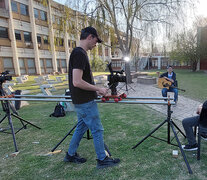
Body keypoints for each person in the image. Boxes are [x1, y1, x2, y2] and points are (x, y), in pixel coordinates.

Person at [64, 26, 120, 169]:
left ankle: (70, 155)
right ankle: (102, 159)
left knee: (81, 127)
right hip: (84, 101)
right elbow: (77, 81)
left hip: (81, 100)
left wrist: (96, 88)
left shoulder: (79, 53)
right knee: (97, 129)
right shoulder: (80, 54)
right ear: (90, 37)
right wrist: (98, 89)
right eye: (96, 41)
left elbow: (80, 79)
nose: (96, 45)